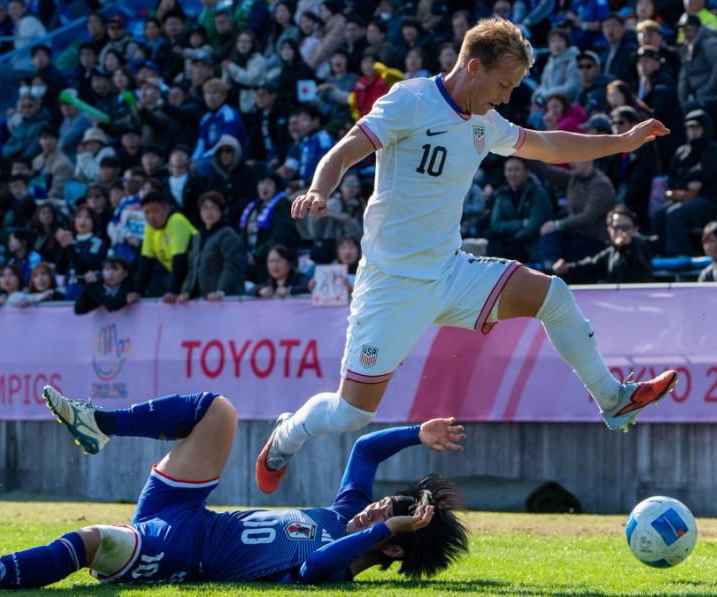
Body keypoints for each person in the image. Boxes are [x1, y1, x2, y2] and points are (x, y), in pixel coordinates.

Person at [269, 17, 679, 495]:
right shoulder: (410, 100)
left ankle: (613, 400)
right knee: (351, 413)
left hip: (450, 271)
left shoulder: (485, 122)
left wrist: (622, 142)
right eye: (503, 84)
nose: (505, 97)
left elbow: (545, 144)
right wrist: (319, 190)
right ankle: (287, 433)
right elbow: (342, 152)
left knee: (553, 295)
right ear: (473, 66)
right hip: (391, 284)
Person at [0, 387, 468, 591]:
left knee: (92, 540)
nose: (370, 506)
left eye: (383, 517)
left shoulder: (339, 568)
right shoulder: (346, 513)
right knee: (218, 411)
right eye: (381, 502)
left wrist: (398, 521)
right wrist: (418, 434)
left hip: (180, 551)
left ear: (392, 546)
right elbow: (364, 451)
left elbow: (311, 568)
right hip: (186, 508)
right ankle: (101, 423)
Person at [653, 109, 717, 256]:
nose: (692, 132)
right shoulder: (682, 151)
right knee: (659, 213)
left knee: (675, 213)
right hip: (682, 198)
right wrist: (686, 184)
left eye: (696, 127)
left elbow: (703, 172)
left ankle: (681, 256)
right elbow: (673, 176)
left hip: (709, 200)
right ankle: (660, 255)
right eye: (690, 128)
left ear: (705, 128)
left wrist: (685, 178)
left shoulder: (713, 150)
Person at [552, 205, 653, 284]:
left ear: (635, 229)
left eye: (626, 227)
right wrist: (566, 268)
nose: (621, 231)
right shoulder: (609, 253)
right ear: (609, 229)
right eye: (616, 227)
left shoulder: (642, 246)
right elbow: (589, 265)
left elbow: (642, 268)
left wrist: (631, 245)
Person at [178, 191, 245, 303]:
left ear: (221, 211)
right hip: (204, 297)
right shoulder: (197, 236)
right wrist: (186, 291)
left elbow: (232, 265)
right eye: (205, 208)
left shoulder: (228, 234)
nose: (209, 212)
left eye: (213, 207)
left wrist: (221, 290)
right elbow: (193, 267)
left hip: (225, 298)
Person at [130, 191, 196, 302]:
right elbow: (146, 262)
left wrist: (174, 291)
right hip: (186, 279)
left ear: (166, 209)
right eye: (146, 213)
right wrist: (138, 292)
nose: (151, 217)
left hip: (198, 275)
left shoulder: (176, 221)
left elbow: (180, 259)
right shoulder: (149, 227)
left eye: (155, 211)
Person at [487, 157, 552, 262]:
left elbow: (533, 226)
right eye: (509, 170)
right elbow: (496, 224)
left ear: (527, 172)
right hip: (509, 242)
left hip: (531, 245)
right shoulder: (502, 195)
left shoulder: (538, 193)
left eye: (516, 169)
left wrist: (511, 237)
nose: (513, 174)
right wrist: (521, 223)